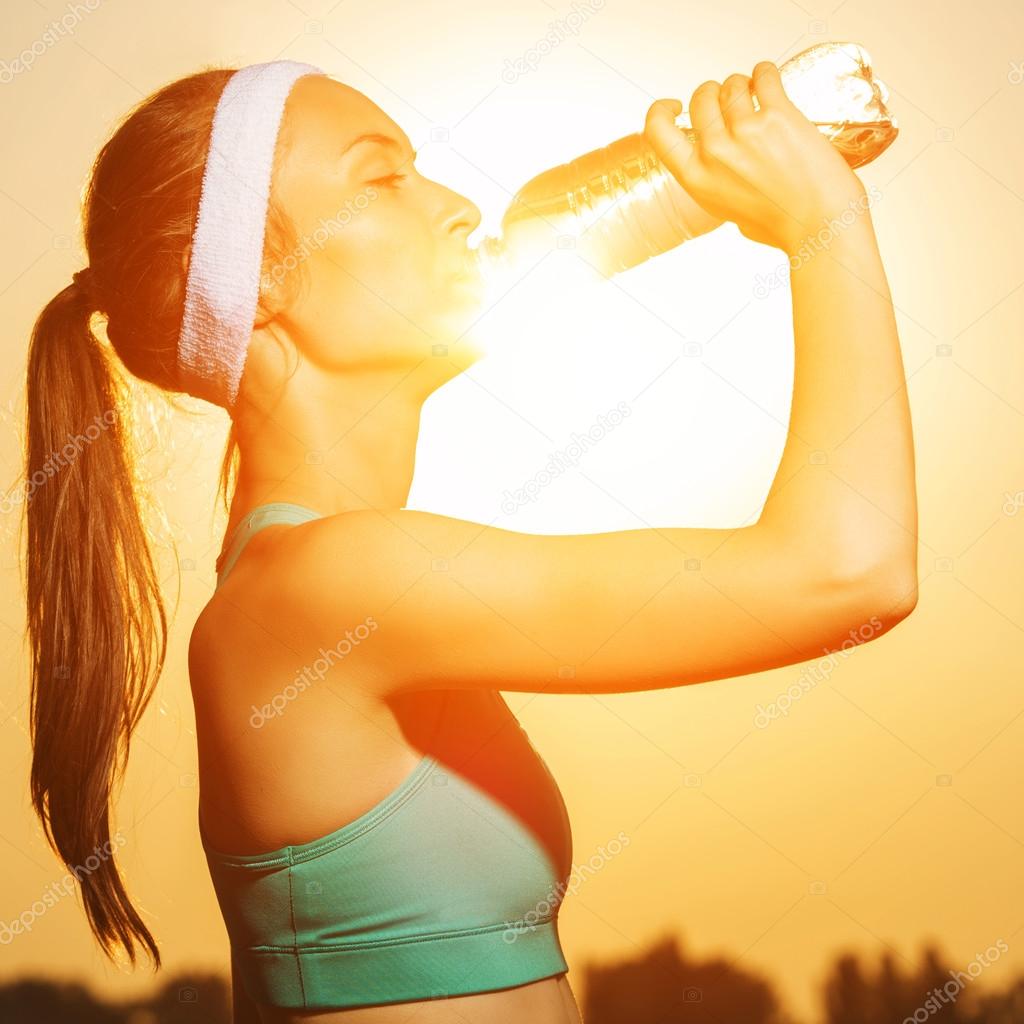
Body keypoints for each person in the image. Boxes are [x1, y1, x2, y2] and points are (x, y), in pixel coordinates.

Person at [22, 56, 917, 1024]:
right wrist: (823, 223)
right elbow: (848, 572)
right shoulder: (327, 584)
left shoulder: (324, 575)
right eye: (382, 177)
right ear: (264, 280)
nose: (453, 204)